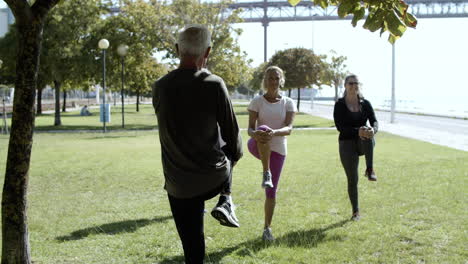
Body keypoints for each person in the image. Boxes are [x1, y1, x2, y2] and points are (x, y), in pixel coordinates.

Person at [152, 25, 243, 264]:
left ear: (177, 50)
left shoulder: (160, 86)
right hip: (212, 176)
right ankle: (226, 199)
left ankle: (225, 201)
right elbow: (233, 134)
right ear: (208, 52)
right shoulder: (214, 84)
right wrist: (234, 157)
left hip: (178, 183)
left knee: (192, 246)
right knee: (231, 148)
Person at [247, 66, 296, 241]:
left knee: (271, 192)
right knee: (262, 128)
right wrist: (259, 133)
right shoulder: (257, 101)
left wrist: (273, 133)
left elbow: (289, 129)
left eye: (276, 78)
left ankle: (267, 229)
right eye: (270, 78)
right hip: (256, 144)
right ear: (265, 80)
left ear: (281, 80)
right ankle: (265, 171)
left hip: (279, 149)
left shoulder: (288, 102)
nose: (273, 81)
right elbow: (250, 130)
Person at [333, 74, 378, 221]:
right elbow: (340, 127)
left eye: (356, 83)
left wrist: (373, 130)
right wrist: (357, 130)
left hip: (363, 142)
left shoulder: (365, 103)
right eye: (351, 83)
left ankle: (370, 169)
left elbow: (374, 121)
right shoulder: (340, 104)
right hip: (346, 144)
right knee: (352, 179)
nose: (354, 86)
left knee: (367, 131)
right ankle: (355, 212)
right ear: (345, 86)